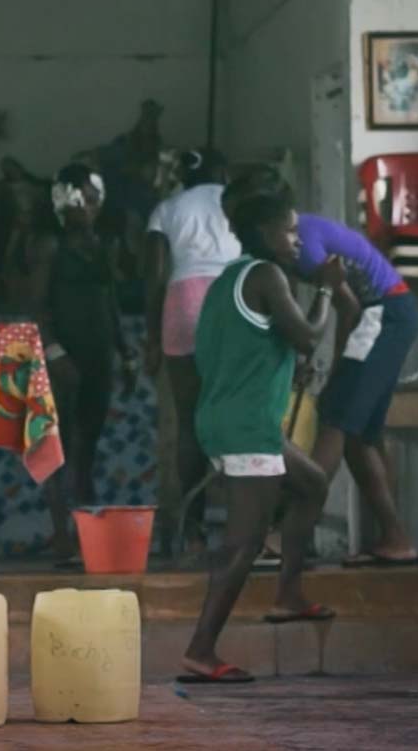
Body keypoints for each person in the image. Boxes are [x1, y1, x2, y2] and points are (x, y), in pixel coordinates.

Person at [180, 167, 344, 684]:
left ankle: (289, 593)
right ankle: (201, 650)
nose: (297, 240)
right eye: (290, 231)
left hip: (230, 420)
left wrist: (285, 368)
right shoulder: (268, 277)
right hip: (247, 427)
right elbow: (308, 336)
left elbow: (238, 350)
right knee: (244, 544)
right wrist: (326, 291)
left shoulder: (229, 280)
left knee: (311, 484)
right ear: (264, 231)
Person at [293, 211, 418, 566]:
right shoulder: (299, 232)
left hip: (382, 313)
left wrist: (337, 368)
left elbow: (347, 306)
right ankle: (394, 538)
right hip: (391, 312)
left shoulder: (302, 248)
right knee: (361, 436)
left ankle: (291, 535)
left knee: (336, 420)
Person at [31, 164, 136, 563]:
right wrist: (54, 352)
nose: (90, 208)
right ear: (63, 202)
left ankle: (87, 535)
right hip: (64, 358)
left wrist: (126, 353)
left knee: (87, 446)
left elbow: (110, 302)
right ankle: (62, 535)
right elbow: (37, 306)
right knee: (59, 445)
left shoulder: (101, 245)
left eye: (95, 201)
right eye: (83, 200)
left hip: (98, 354)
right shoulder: (49, 246)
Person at [142, 149, 239, 559]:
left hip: (182, 302)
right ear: (222, 171)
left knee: (188, 423)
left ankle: (193, 533)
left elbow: (154, 278)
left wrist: (151, 338)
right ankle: (243, 529)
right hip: (232, 299)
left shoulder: (167, 208)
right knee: (240, 419)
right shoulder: (236, 201)